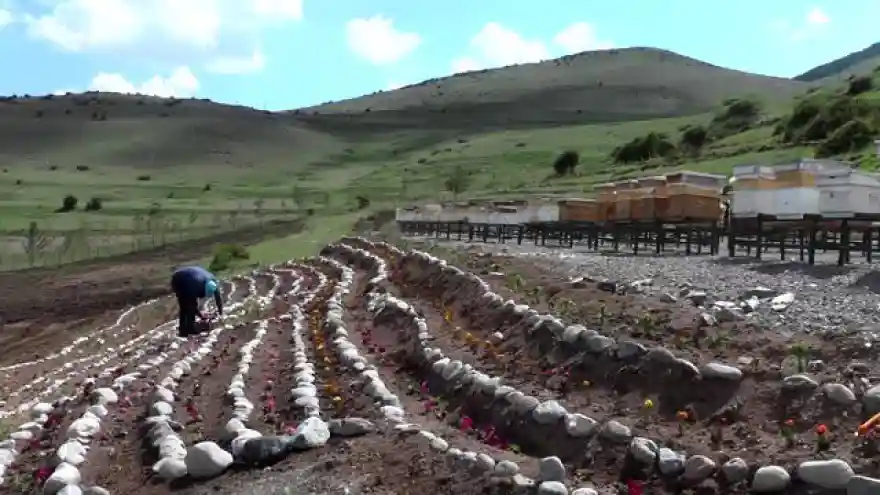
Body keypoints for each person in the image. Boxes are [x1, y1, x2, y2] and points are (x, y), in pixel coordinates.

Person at [170, 266, 224, 338]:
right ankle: (187, 330)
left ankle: (183, 328)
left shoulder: (213, 281)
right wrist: (201, 316)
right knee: (185, 306)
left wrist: (221, 313)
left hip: (187, 276)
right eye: (202, 295)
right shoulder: (194, 286)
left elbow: (218, 298)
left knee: (188, 306)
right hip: (179, 280)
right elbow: (192, 306)